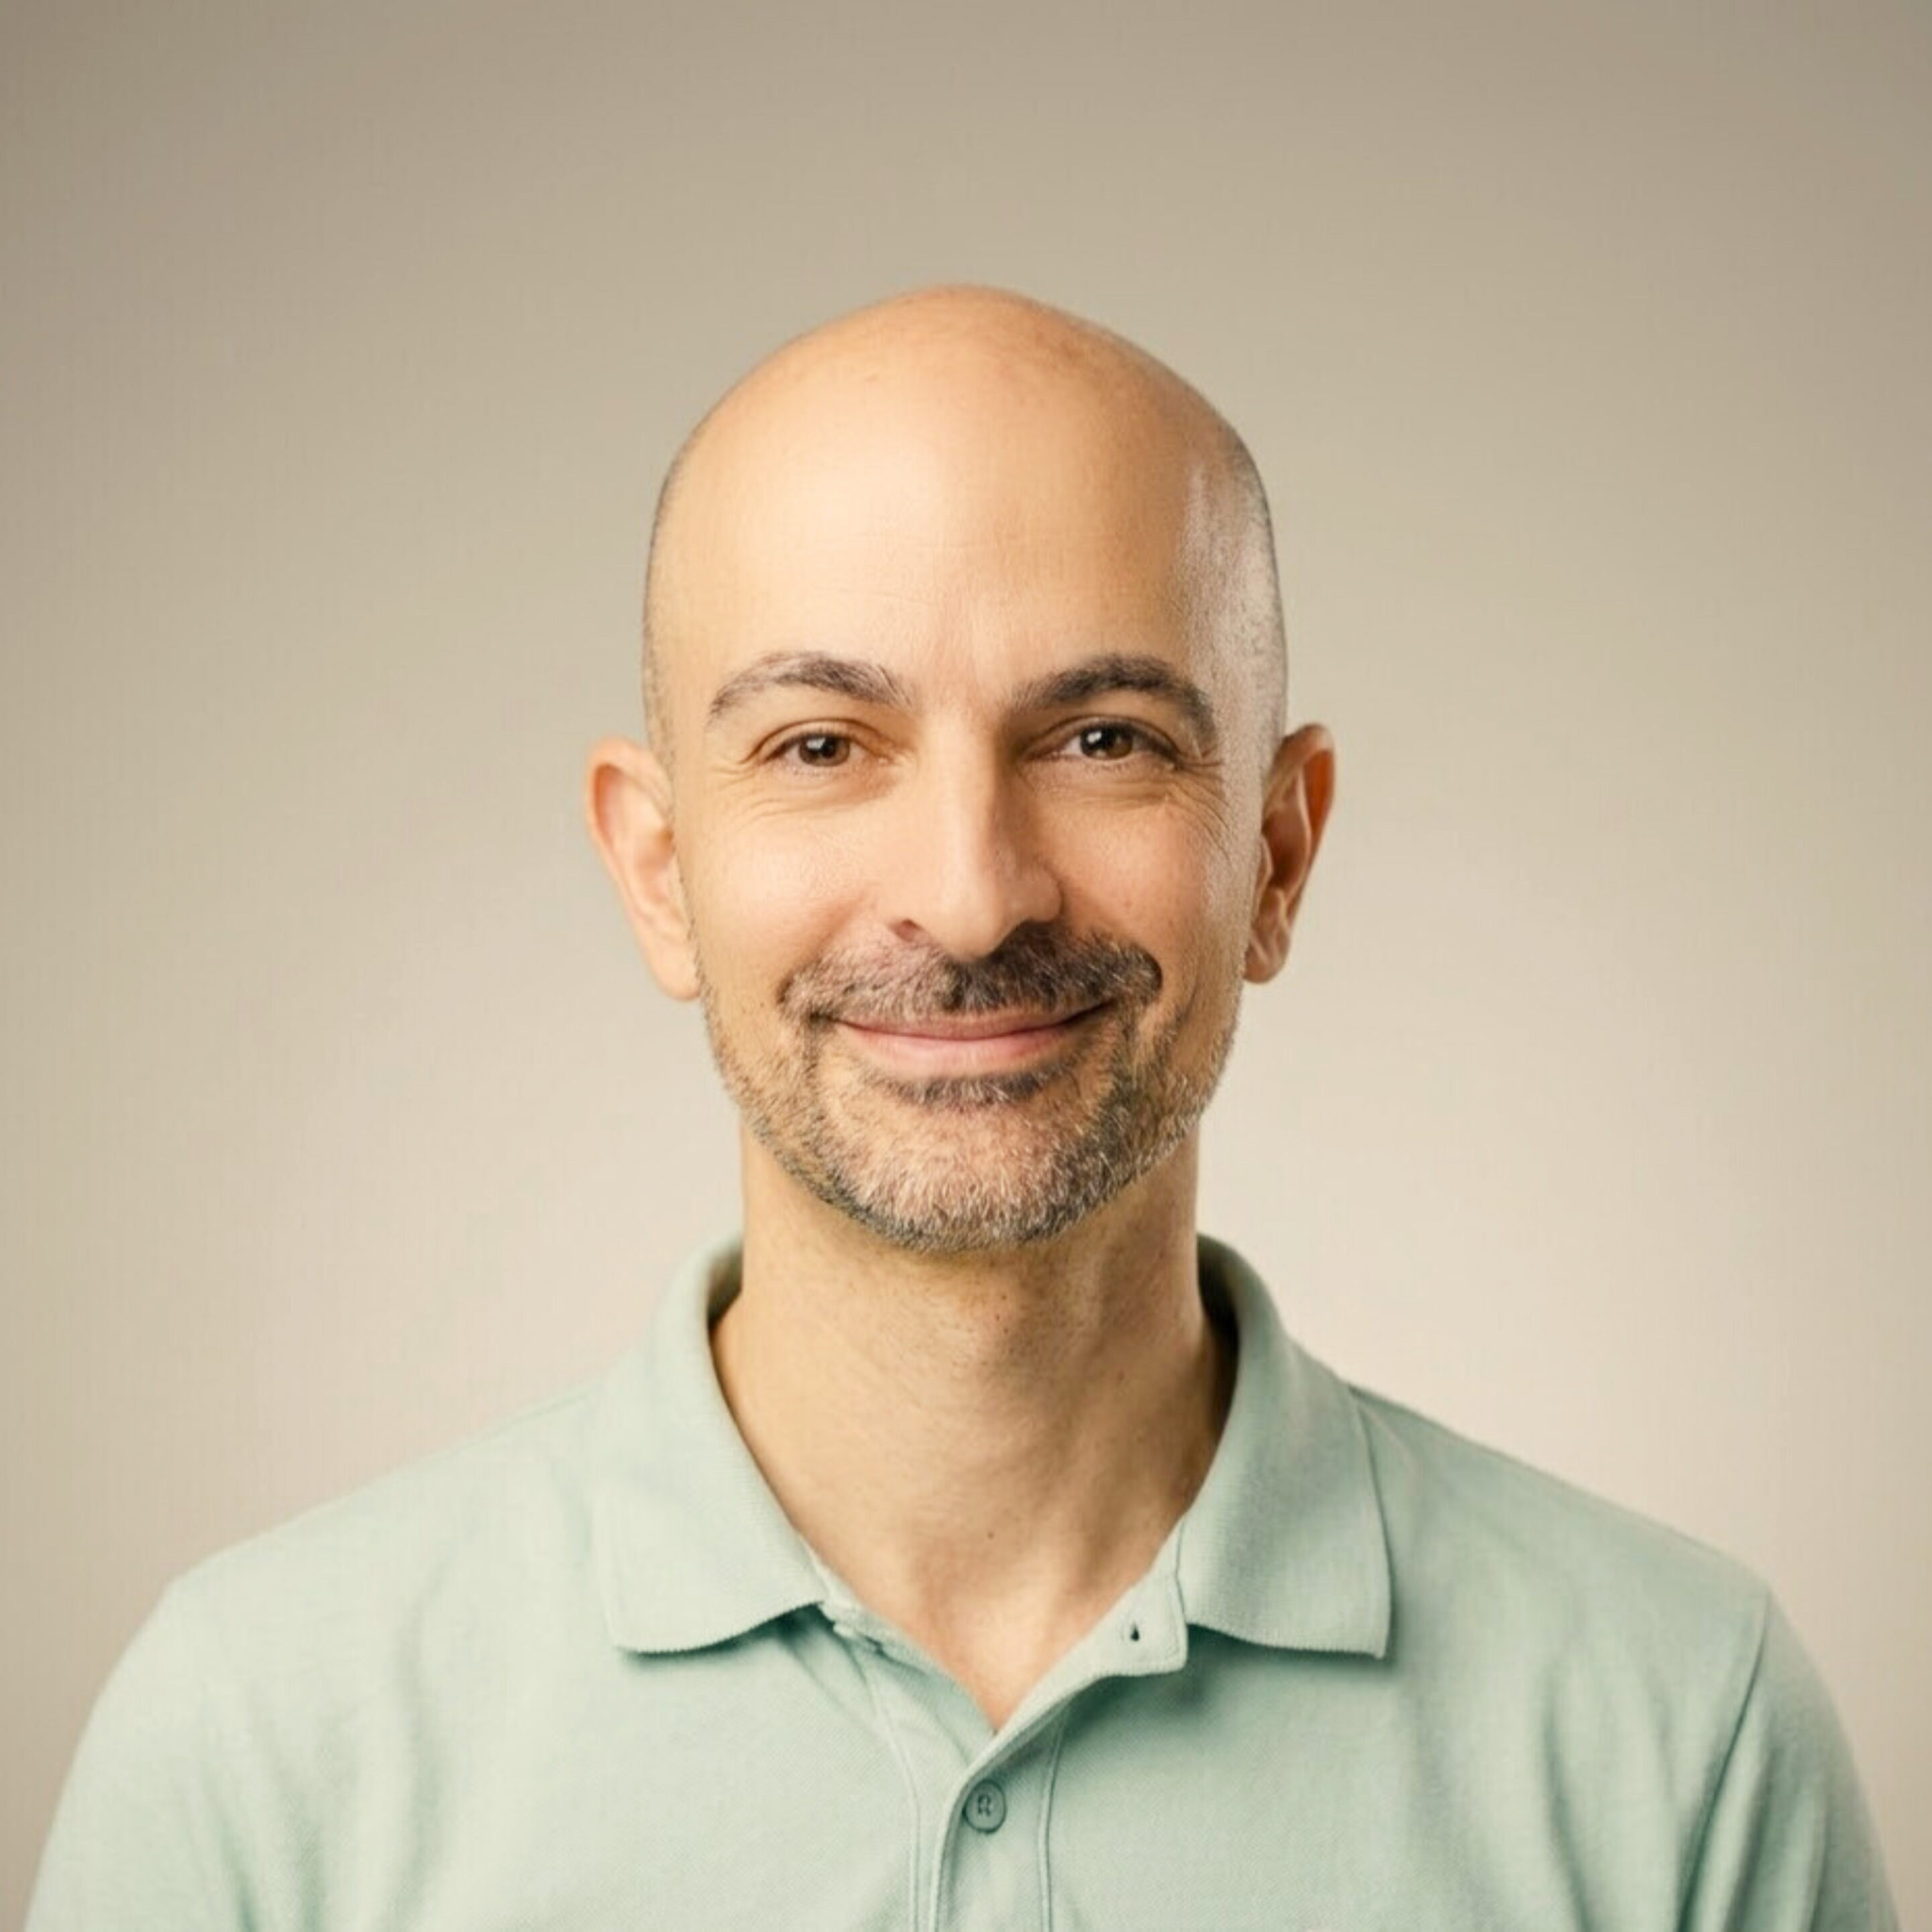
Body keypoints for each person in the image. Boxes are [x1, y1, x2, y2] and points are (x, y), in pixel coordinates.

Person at [29, 284, 1898, 1929]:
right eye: (822, 746)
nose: (974, 889)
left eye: (1102, 742)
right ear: (660, 870)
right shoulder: (261, 1742)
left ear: (1278, 846)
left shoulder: (1680, 1733)